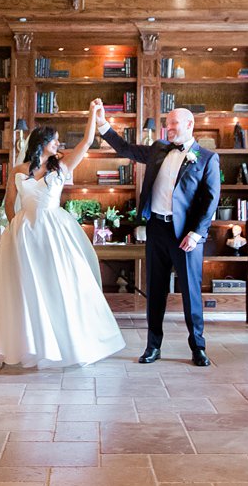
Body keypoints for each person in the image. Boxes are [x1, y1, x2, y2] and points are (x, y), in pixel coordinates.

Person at [0, 104, 125, 369]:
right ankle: (25, 343)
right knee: (22, 287)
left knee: (58, 284)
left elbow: (88, 141)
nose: (58, 143)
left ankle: (64, 344)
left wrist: (92, 114)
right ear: (41, 143)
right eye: (54, 140)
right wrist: (16, 224)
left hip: (54, 231)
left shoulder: (61, 167)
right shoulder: (19, 170)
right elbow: (10, 202)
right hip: (24, 232)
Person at [92, 100, 220, 366]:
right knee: (156, 290)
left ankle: (198, 347)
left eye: (173, 123)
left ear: (188, 125)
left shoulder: (207, 158)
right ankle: (153, 346)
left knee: (191, 292)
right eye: (167, 123)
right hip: (157, 230)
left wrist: (196, 233)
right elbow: (125, 148)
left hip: (186, 235)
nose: (168, 128)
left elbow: (211, 200)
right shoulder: (158, 149)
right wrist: (103, 123)